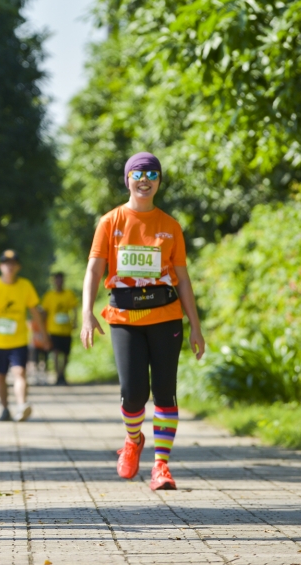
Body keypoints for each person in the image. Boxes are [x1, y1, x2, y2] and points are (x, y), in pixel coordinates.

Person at [80, 152, 205, 492]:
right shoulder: (111, 221)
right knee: (133, 394)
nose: (145, 178)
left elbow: (182, 278)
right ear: (128, 180)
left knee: (165, 393)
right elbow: (94, 269)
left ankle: (161, 466)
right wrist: (86, 312)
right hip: (124, 317)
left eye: (152, 173)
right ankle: (133, 440)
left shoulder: (170, 226)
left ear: (160, 181)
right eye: (138, 173)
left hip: (166, 316)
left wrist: (196, 325)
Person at [0, 250, 48, 422]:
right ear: (0, 266)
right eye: (6, 263)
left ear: (18, 267)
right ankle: (5, 407)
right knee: (0, 376)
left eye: (13, 263)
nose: (9, 266)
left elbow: (35, 312)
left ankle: (22, 406)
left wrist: (43, 334)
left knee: (19, 372)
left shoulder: (25, 286)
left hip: (19, 340)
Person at [39, 272, 78, 385]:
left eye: (61, 280)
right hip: (53, 330)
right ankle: (57, 374)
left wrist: (75, 322)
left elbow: (74, 309)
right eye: (57, 280)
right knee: (55, 352)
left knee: (66, 354)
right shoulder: (49, 296)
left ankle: (62, 373)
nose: (59, 282)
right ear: (54, 282)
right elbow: (44, 312)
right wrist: (41, 326)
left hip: (66, 330)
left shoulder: (69, 294)